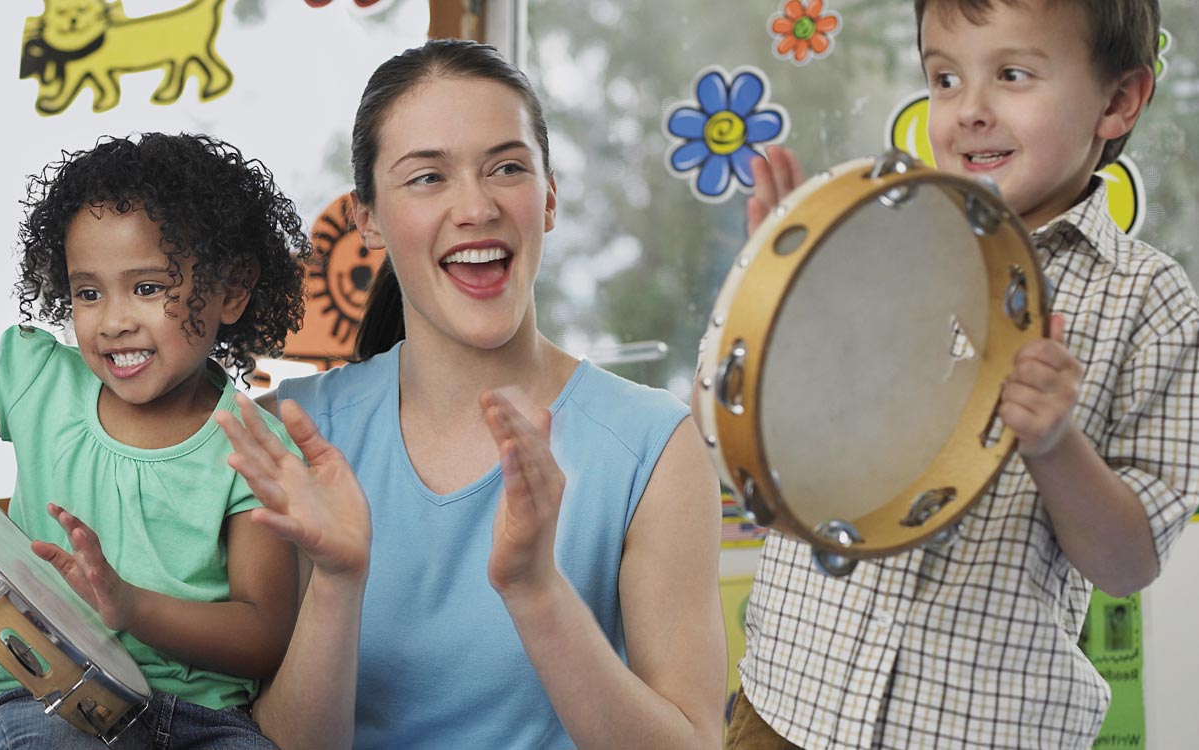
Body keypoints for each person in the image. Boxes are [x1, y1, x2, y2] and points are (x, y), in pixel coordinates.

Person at [215, 39, 726, 749]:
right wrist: (336, 579)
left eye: (507, 168)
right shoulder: (289, 435)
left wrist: (537, 591)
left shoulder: (654, 448)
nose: (477, 207)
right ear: (367, 219)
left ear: (549, 197)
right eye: (427, 177)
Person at [728, 2, 1197, 748]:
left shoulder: (1151, 300)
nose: (968, 110)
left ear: (1118, 100)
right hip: (788, 706)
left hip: (981, 731)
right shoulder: (878, 237)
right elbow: (793, 442)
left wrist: (1054, 444)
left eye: (1011, 74)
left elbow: (1127, 564)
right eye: (944, 78)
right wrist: (788, 305)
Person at [0, 132, 309, 749]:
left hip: (203, 724)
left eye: (147, 288)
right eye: (88, 292)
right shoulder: (37, 381)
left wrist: (129, 607)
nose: (112, 321)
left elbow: (264, 637)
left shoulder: (255, 449)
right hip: (52, 706)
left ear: (232, 290)